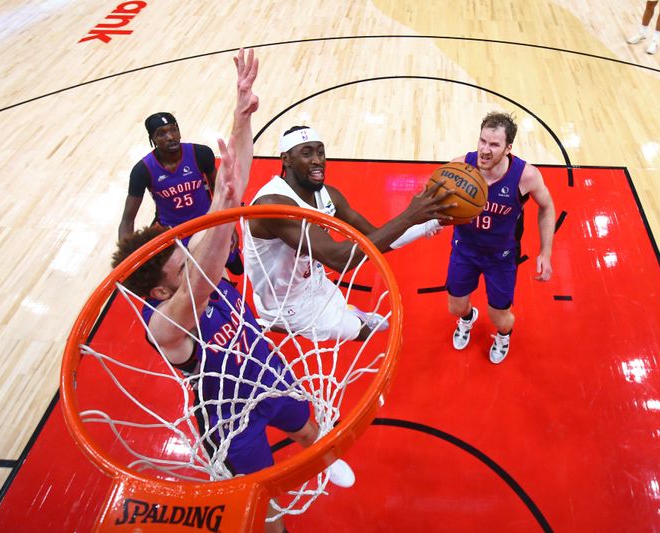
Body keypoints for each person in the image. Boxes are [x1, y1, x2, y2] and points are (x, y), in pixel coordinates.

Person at [111, 50, 352, 533]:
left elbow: (234, 179)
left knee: (306, 425)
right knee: (259, 503)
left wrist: (241, 116)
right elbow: (203, 276)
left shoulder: (186, 271)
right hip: (227, 417)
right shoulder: (165, 325)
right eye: (182, 259)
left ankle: (321, 456)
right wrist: (223, 206)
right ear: (161, 287)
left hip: (266, 370)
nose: (191, 255)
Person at [244, 126, 453, 342]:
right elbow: (338, 259)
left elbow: (378, 237)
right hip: (284, 305)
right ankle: (275, 324)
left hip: (311, 282)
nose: (317, 160)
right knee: (364, 333)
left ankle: (351, 313)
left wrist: (429, 222)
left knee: (344, 308)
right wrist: (409, 216)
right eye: (307, 154)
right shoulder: (274, 206)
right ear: (286, 159)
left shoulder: (327, 196)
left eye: (320, 152)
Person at [445, 111, 555, 364]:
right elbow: (439, 200)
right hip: (465, 250)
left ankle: (503, 336)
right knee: (455, 307)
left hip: (501, 257)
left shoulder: (526, 176)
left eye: (494, 145)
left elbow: (547, 207)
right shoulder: (460, 166)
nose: (485, 150)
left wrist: (545, 252)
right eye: (482, 141)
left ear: (508, 148)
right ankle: (466, 319)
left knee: (499, 316)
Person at [118, 103, 244, 274]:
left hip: (208, 221)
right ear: (152, 139)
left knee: (236, 269)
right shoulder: (142, 170)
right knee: (192, 280)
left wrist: (229, 226)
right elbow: (127, 220)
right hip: (174, 233)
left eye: (173, 129)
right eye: (161, 134)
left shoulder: (200, 153)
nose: (170, 136)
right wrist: (126, 258)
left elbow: (220, 192)